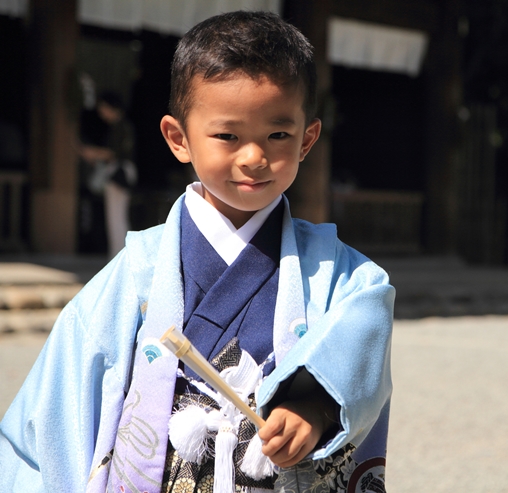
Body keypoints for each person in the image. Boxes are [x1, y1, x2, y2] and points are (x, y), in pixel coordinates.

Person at [0, 11, 394, 493]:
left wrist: (312, 405)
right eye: (228, 135)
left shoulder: (340, 275)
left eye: (278, 135)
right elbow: (56, 405)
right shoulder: (138, 272)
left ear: (307, 139)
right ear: (178, 139)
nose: (254, 156)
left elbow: (366, 316)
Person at [78, 91, 138, 258]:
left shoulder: (122, 126)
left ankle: (120, 256)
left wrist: (94, 153)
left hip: (119, 172)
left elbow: (115, 153)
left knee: (116, 218)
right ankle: (120, 255)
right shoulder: (120, 126)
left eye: (103, 107)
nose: (101, 112)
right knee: (117, 217)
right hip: (120, 171)